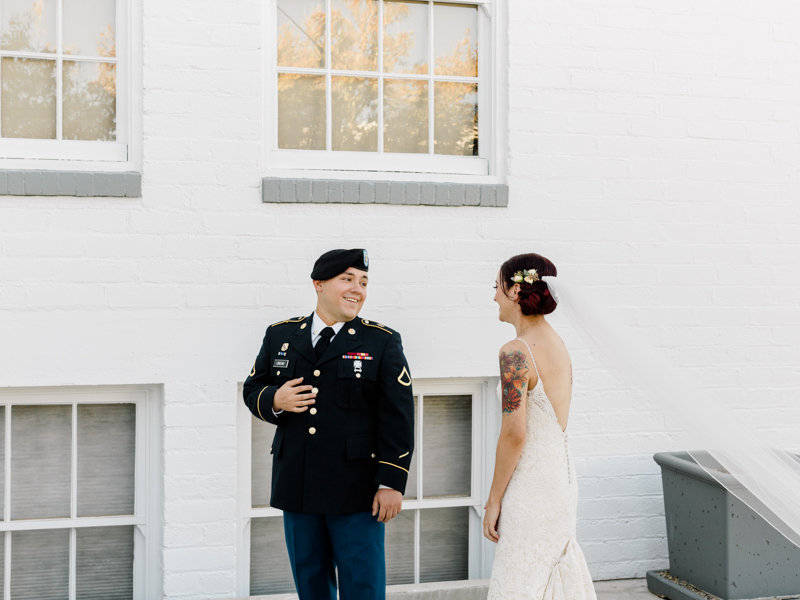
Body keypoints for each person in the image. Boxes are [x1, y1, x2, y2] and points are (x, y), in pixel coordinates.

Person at [243, 248, 415, 600]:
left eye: (364, 282)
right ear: (318, 284)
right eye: (347, 279)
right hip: (297, 484)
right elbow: (253, 388)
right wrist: (275, 400)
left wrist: (392, 482)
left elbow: (398, 415)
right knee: (311, 586)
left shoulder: (381, 341)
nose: (357, 289)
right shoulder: (281, 335)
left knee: (361, 588)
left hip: (356, 490)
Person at [484, 253, 596, 600]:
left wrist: (493, 501)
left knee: (521, 581)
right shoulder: (556, 343)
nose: (494, 297)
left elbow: (515, 434)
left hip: (531, 486)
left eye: (497, 288)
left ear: (515, 292)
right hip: (560, 480)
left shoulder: (515, 352)